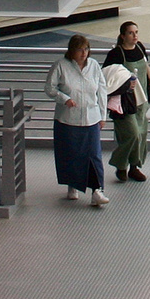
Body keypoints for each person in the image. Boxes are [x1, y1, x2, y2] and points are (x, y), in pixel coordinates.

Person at [44, 33, 109, 206]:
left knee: (93, 155)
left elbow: (102, 91)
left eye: (86, 49)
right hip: (67, 119)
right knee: (71, 153)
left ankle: (97, 190)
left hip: (91, 118)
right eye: (79, 49)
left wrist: (103, 115)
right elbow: (49, 87)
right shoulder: (61, 66)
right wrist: (64, 98)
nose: (83, 53)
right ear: (71, 50)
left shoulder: (94, 66)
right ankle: (73, 185)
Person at [103, 21, 150, 183]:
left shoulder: (140, 48)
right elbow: (107, 76)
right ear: (122, 36)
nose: (135, 36)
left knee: (141, 133)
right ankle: (121, 165)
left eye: (136, 32)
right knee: (132, 134)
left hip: (142, 100)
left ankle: (135, 166)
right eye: (131, 33)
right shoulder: (116, 54)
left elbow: (146, 67)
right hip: (124, 103)